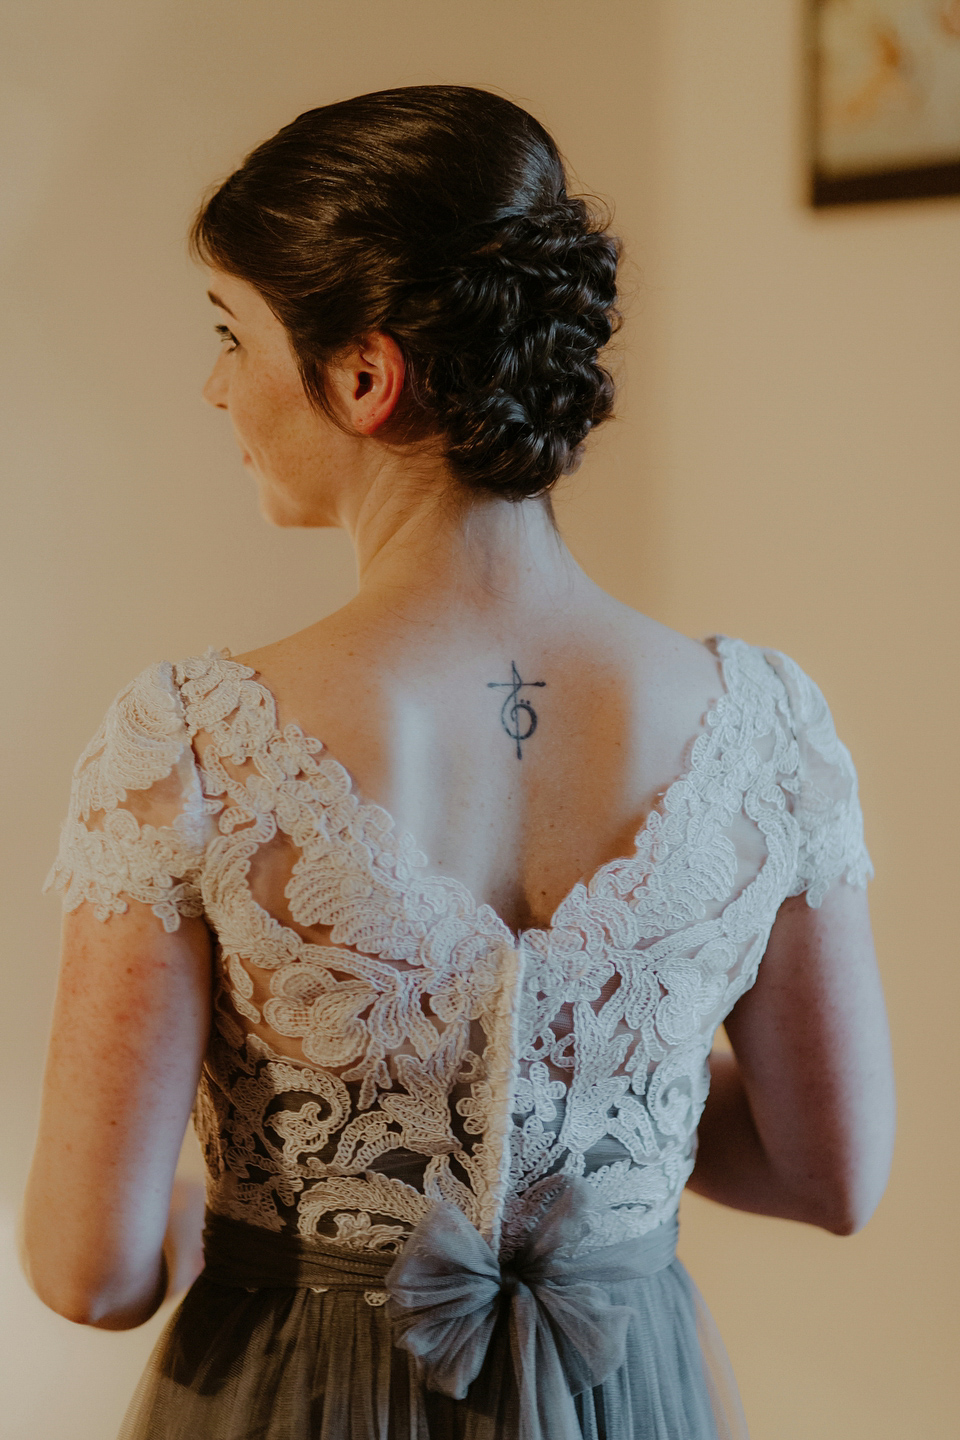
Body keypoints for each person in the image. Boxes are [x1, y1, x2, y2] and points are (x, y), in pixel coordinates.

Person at [21, 86, 895, 1440]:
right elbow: (832, 1171)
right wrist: (609, 1068)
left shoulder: (190, 743)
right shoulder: (764, 728)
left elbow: (90, 1270)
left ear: (363, 376)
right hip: (627, 1392)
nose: (214, 385)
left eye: (230, 334)